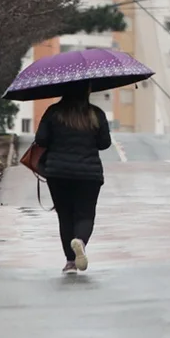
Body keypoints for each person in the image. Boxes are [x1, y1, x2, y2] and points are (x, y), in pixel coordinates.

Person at [35, 87, 112, 274]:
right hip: (89, 175)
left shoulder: (53, 112)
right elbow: (105, 143)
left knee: (65, 216)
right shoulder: (96, 114)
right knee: (85, 215)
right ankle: (80, 241)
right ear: (87, 91)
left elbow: (41, 140)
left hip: (58, 173)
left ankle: (70, 262)